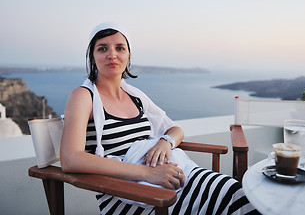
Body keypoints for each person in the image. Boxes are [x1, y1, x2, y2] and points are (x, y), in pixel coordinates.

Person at [60, 22, 259, 215]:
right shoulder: (83, 96)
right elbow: (71, 159)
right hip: (123, 193)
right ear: (92, 57)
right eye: (102, 49)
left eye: (119, 48)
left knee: (237, 193)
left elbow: (175, 129)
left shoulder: (135, 97)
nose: (112, 55)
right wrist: (148, 174)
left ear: (128, 56)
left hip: (165, 177)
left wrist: (165, 143)